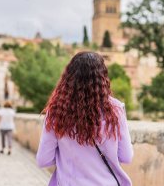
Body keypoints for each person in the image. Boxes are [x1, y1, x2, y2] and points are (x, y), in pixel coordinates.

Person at [36, 52, 134, 186]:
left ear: (69, 78)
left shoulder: (57, 111)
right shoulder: (115, 110)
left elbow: (43, 160)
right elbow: (126, 157)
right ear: (102, 78)